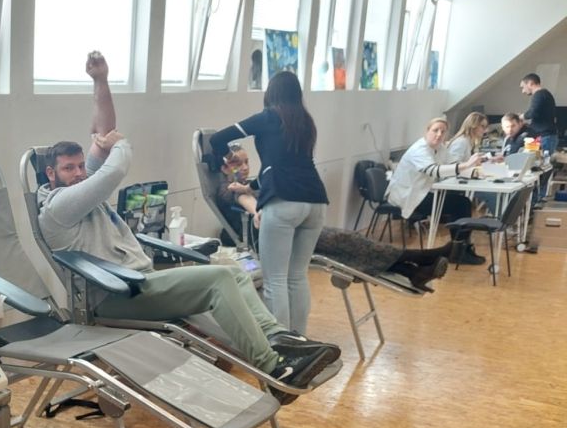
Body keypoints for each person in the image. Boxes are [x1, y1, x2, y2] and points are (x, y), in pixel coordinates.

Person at [36, 52, 341, 403]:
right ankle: (272, 368)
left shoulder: (81, 191)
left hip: (140, 284)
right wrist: (121, 145)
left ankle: (280, 340)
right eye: (69, 168)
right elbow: (113, 169)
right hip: (115, 296)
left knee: (233, 272)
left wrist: (101, 81)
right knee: (219, 279)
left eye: (80, 166)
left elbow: (102, 133)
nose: (79, 173)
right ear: (51, 174)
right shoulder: (58, 207)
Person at [217, 146, 452, 291]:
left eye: (247, 161)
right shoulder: (227, 188)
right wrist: (258, 210)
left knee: (347, 247)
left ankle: (412, 271)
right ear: (225, 168)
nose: (244, 167)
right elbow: (245, 200)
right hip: (274, 239)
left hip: (291, 230)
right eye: (238, 163)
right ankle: (421, 257)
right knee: (345, 241)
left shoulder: (251, 183)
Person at [208, 71, 328, 336]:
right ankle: (300, 339)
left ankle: (280, 344)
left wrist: (225, 158)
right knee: (297, 276)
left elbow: (217, 138)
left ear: (271, 93)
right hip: (316, 202)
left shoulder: (268, 117)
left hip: (284, 204)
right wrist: (249, 188)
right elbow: (279, 169)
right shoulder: (306, 122)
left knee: (275, 281)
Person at [385, 117, 487, 265]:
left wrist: (479, 168)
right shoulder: (419, 149)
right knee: (461, 204)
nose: (439, 134)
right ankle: (459, 251)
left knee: (462, 203)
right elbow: (434, 171)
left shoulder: (439, 148)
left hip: (422, 192)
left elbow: (454, 164)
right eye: (435, 130)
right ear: (427, 131)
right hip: (407, 196)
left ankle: (460, 249)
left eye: (443, 132)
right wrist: (467, 166)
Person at [520, 72, 558, 158]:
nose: (523, 91)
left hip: (545, 137)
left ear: (530, 83)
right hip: (546, 136)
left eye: (523, 87)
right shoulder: (544, 94)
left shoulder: (539, 95)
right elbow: (540, 116)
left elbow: (533, 112)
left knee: (545, 162)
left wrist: (522, 116)